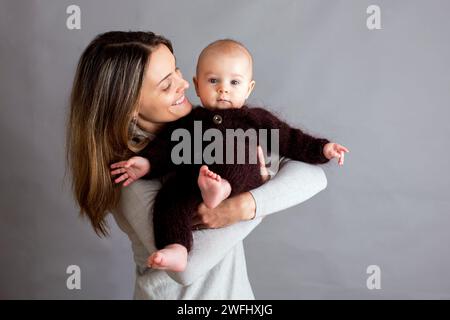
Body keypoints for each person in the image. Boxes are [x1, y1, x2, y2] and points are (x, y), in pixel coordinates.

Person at [67, 31, 328, 299]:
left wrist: (245, 205)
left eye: (177, 72)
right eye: (167, 85)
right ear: (129, 107)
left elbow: (312, 175)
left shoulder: (207, 128)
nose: (185, 85)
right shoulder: (127, 173)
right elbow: (187, 270)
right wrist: (261, 197)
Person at [110, 39, 349, 272]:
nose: (223, 89)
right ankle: (177, 247)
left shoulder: (253, 120)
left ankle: (222, 188)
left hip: (238, 176)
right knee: (169, 199)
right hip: (196, 184)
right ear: (198, 84)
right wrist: (146, 163)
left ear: (249, 88)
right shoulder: (183, 128)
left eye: (234, 82)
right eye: (213, 80)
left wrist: (321, 148)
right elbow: (167, 148)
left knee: (236, 147)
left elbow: (291, 141)